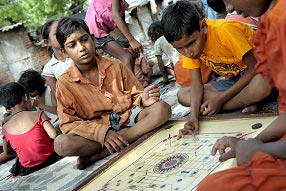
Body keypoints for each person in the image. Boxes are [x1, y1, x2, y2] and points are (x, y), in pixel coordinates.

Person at [54, 17, 171, 170]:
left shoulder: (115, 65)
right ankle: (123, 138)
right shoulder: (64, 83)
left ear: (93, 39)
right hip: (97, 133)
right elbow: (67, 123)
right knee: (61, 144)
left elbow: (135, 93)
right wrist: (103, 133)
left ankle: (103, 152)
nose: (81, 48)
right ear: (64, 52)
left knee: (162, 109)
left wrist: (144, 98)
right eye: (72, 45)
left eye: (84, 40)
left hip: (128, 118)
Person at [197, 0, 286, 190]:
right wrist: (255, 142)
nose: (228, 8)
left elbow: (255, 71)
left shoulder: (281, 19)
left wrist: (262, 150)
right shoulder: (271, 17)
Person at [161, 0, 272, 136]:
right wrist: (194, 117)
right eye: (179, 48)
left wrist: (220, 99)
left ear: (203, 26)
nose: (188, 52)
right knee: (183, 95)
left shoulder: (224, 30)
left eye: (192, 43)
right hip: (235, 81)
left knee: (262, 85)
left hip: (258, 72)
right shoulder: (186, 46)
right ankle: (246, 100)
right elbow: (197, 85)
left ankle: (230, 103)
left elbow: (255, 68)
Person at [0, 82, 60, 176]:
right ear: (26, 97)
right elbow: (54, 135)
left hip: (27, 169)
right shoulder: (38, 114)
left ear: (7, 109)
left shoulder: (5, 127)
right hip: (49, 159)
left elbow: (7, 151)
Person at [85, 0, 142, 72]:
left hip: (96, 29)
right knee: (127, 57)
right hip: (95, 29)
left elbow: (121, 20)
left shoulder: (122, 3)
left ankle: (132, 82)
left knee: (130, 57)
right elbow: (116, 17)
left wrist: (130, 42)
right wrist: (132, 40)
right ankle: (130, 83)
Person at [41, 19, 72, 98]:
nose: (62, 34)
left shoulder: (79, 52)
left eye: (63, 30)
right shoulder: (49, 69)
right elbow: (60, 95)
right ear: (47, 42)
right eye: (56, 33)